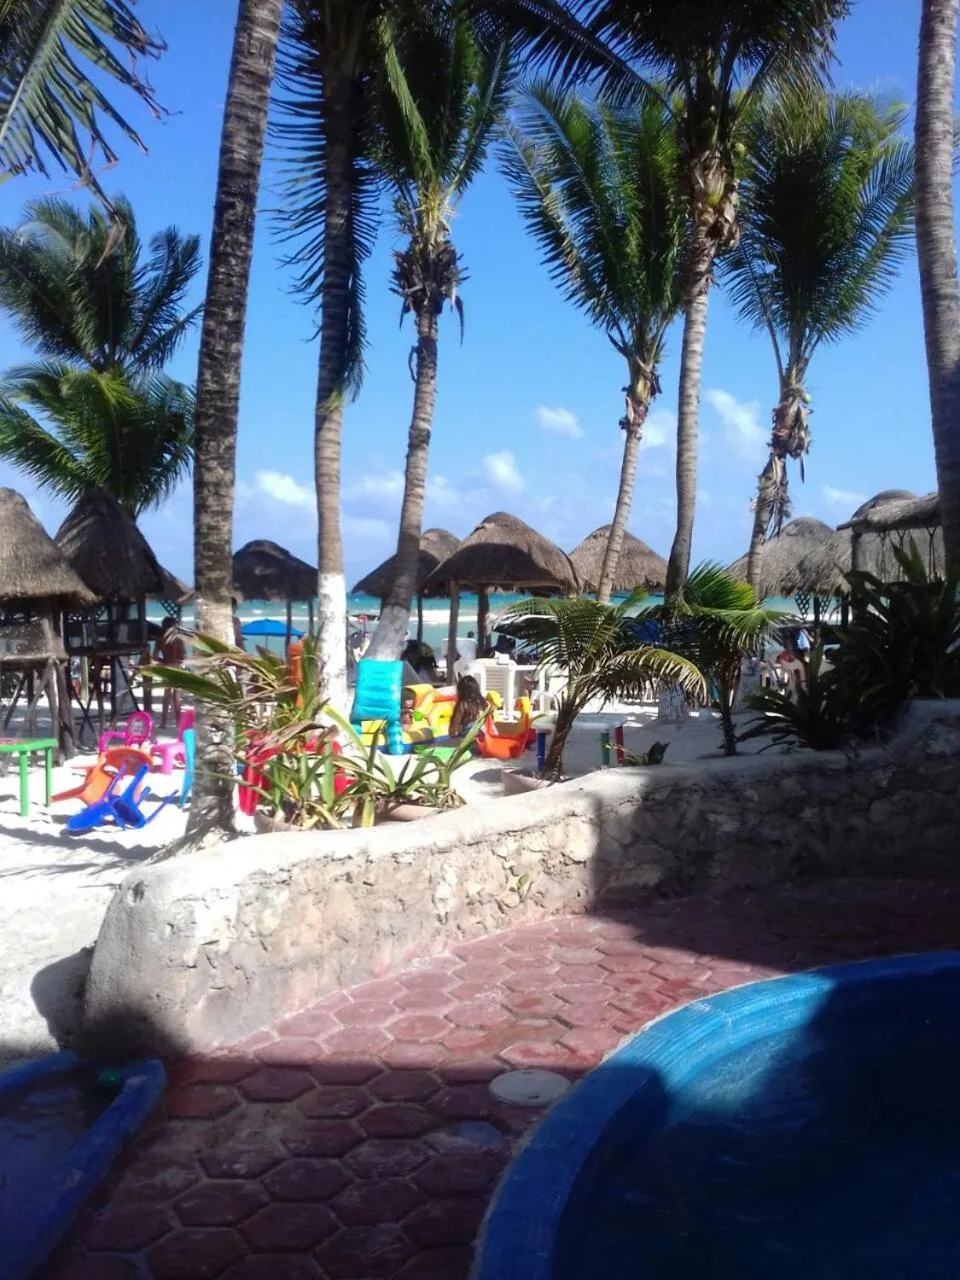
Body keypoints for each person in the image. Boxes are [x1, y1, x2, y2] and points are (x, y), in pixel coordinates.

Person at [156, 617, 186, 729]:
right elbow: (183, 656)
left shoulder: (160, 640)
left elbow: (155, 657)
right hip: (177, 668)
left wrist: (163, 661)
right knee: (177, 696)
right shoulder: (178, 639)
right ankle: (179, 723)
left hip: (166, 668)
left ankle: (163, 723)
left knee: (166, 696)